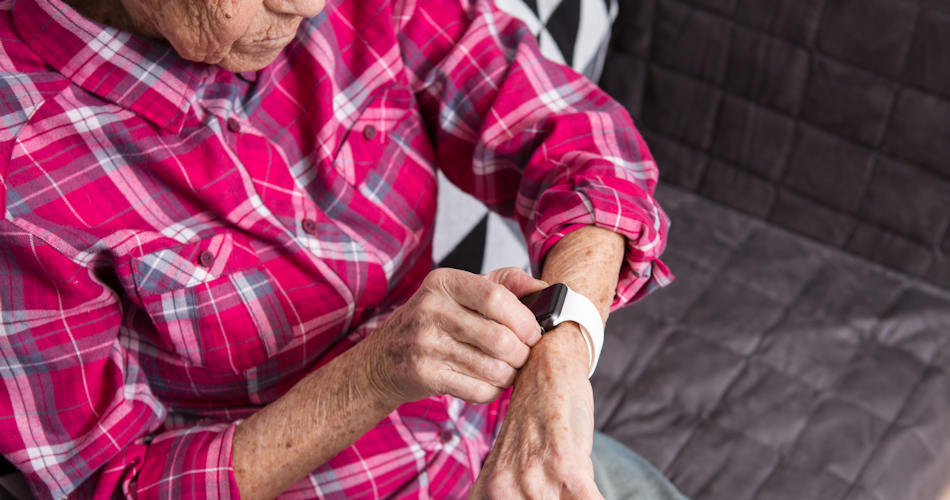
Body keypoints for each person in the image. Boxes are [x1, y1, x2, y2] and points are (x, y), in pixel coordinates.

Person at [0, 0, 681, 498]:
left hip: (493, 442)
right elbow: (109, 484)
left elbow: (581, 144)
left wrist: (564, 351)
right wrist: (374, 373)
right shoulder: (20, 178)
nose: (309, 5)